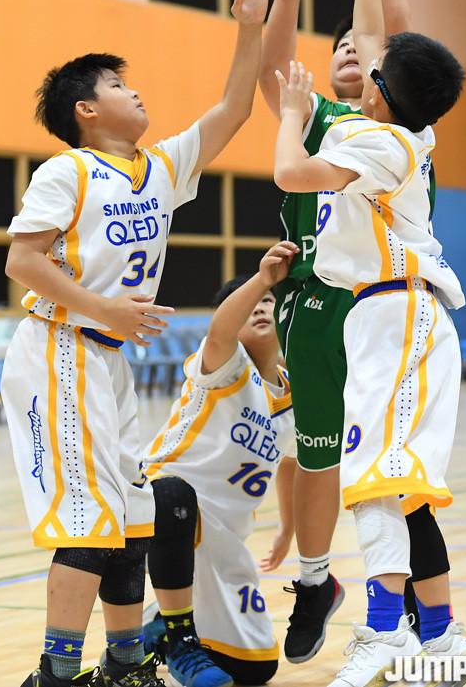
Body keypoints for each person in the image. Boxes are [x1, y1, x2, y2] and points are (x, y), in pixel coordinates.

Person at [1, 0, 271, 687]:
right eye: (118, 85)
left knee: (132, 517)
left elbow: (234, 110)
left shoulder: (159, 168)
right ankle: (56, 673)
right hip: (60, 348)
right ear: (86, 111)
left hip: (109, 359)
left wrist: (249, 26)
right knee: (90, 523)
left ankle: (124, 664)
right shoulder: (67, 171)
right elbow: (22, 261)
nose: (135, 90)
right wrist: (104, 307)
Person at [273, 0, 466, 687]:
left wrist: (291, 116)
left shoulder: (378, 140)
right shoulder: (408, 129)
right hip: (386, 316)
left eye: (372, 66)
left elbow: (290, 173)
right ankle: (442, 641)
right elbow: (372, 33)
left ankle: (386, 631)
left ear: (382, 89)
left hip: (397, 311)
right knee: (400, 487)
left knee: (374, 480)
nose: (360, 61)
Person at [141, 241, 298, 687]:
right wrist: (263, 278)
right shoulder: (226, 365)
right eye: (253, 302)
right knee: (173, 495)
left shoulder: (294, 395)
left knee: (256, 669)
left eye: (269, 301)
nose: (262, 306)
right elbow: (219, 332)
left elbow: (292, 465)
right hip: (161, 502)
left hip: (225, 533)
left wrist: (287, 529)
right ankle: (178, 639)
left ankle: (158, 627)